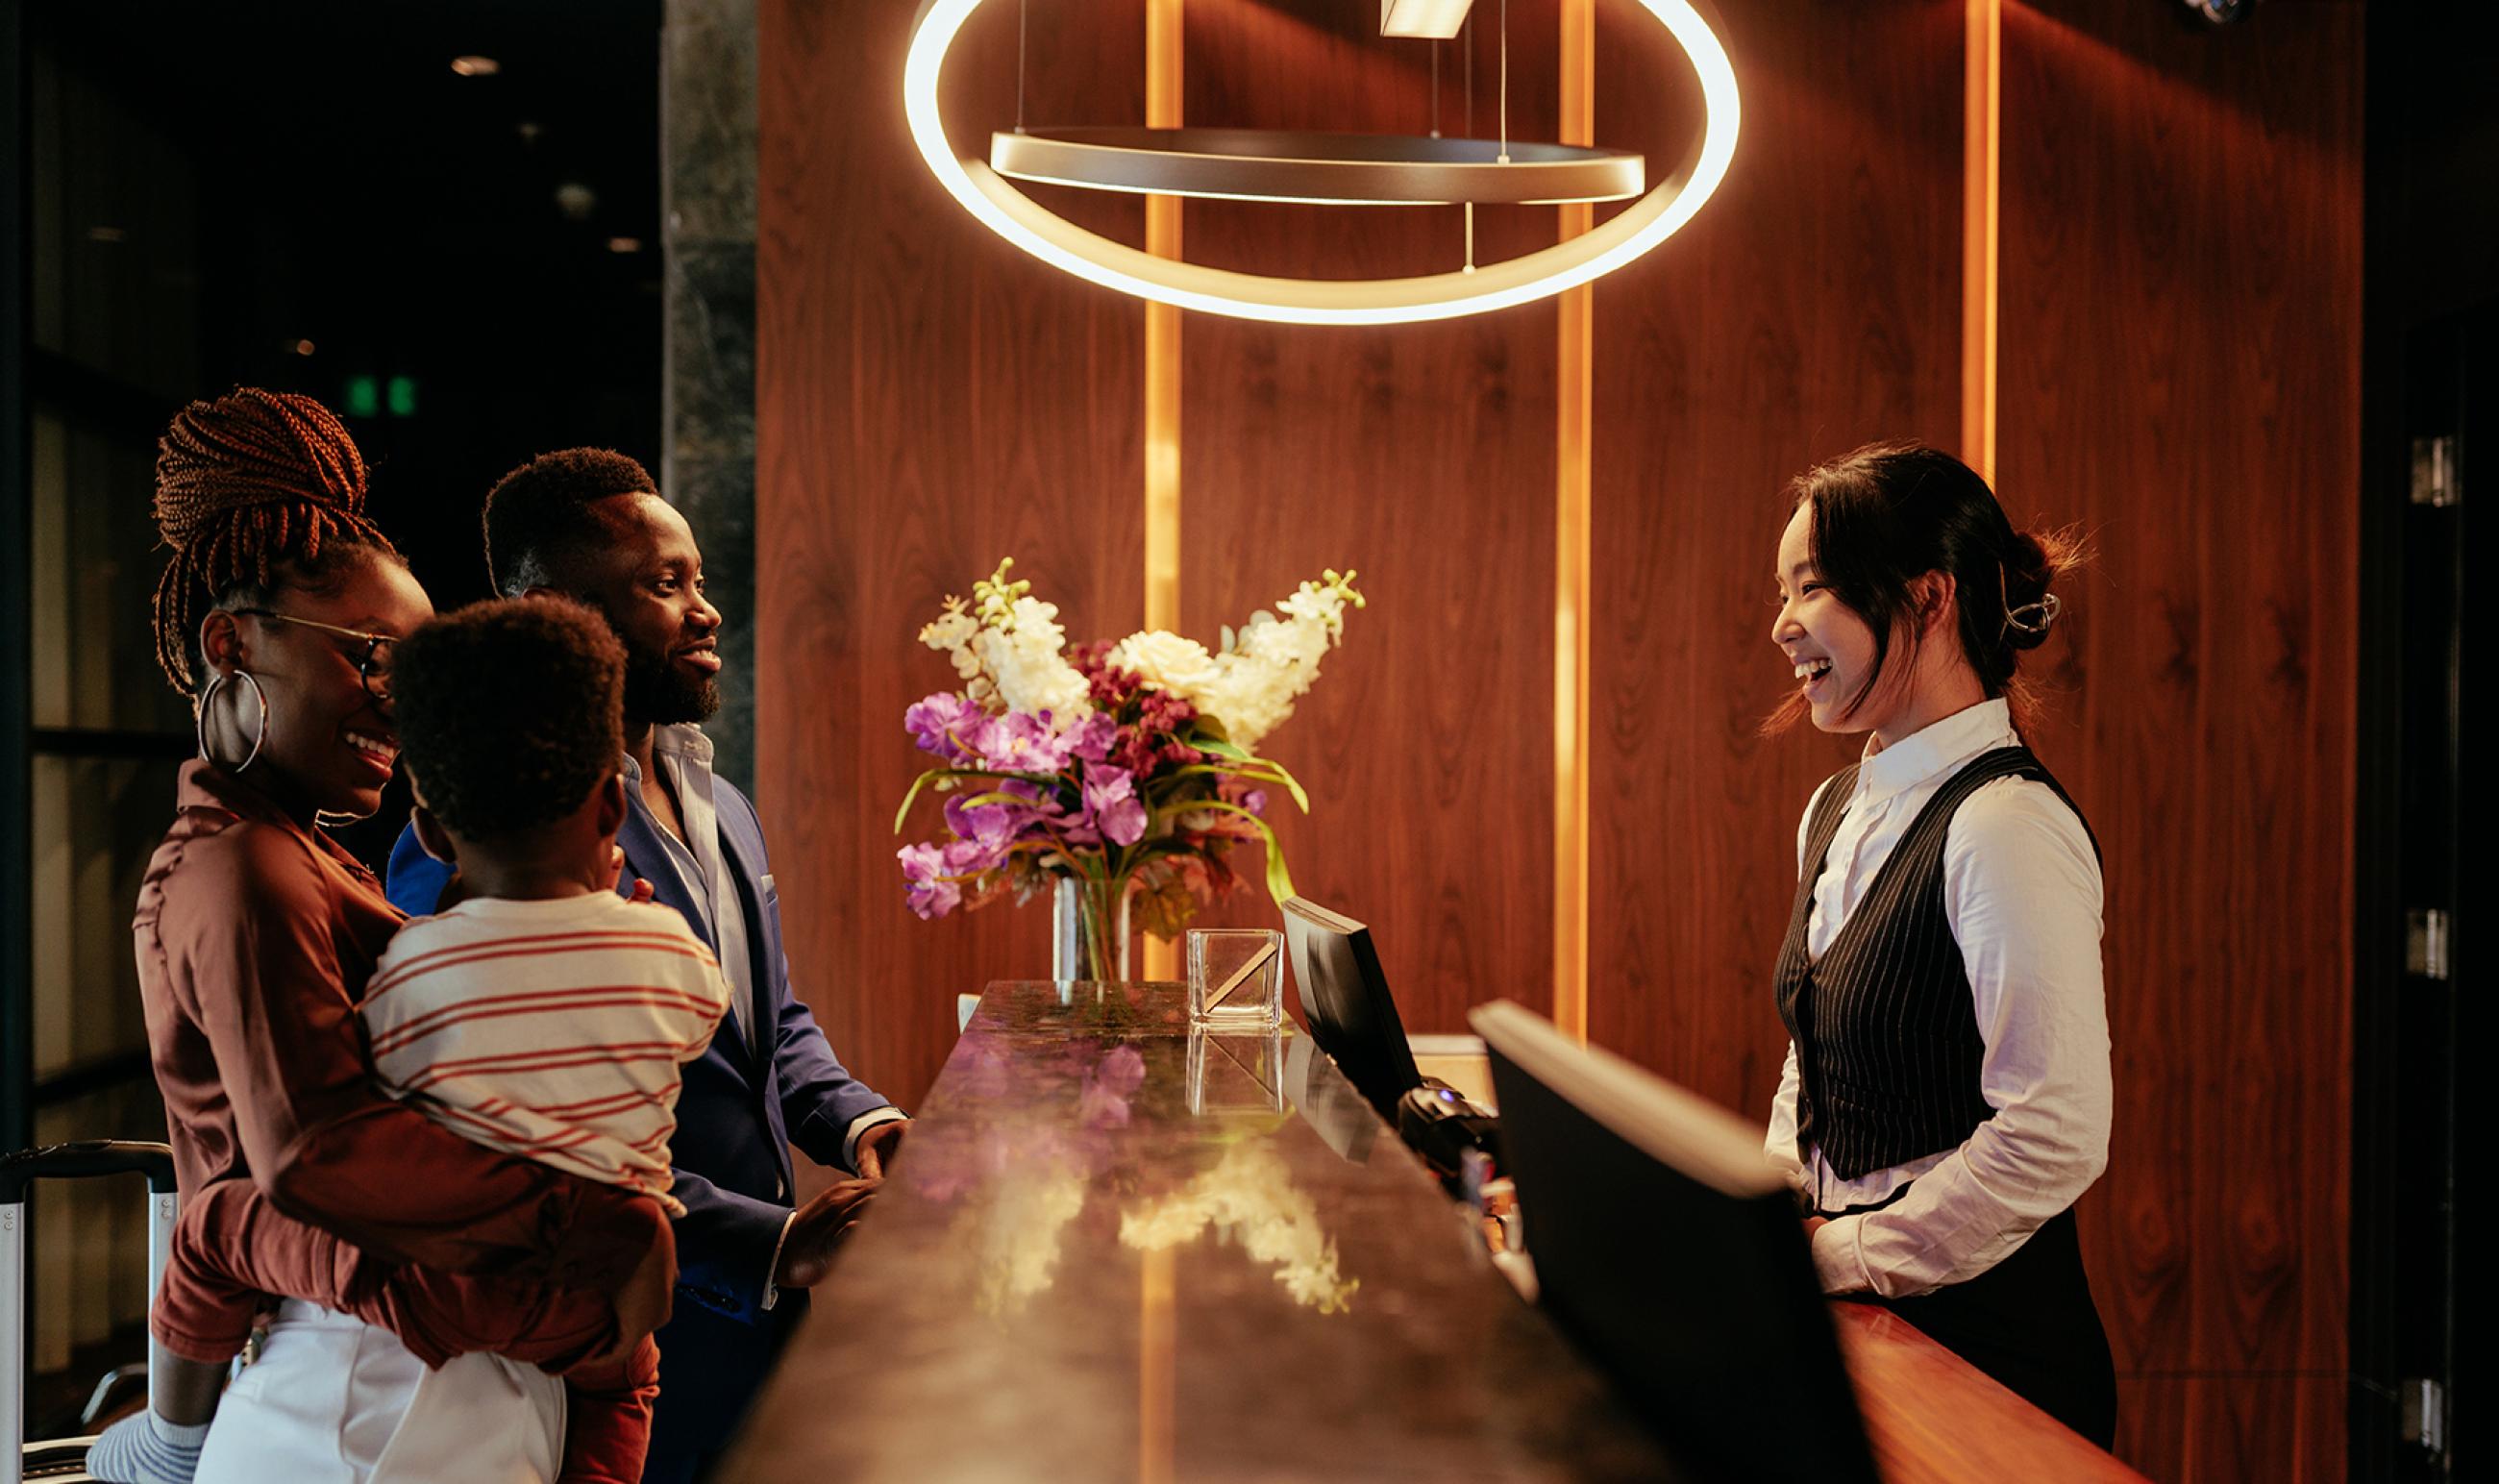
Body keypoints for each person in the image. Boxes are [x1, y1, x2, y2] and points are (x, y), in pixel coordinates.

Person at [96, 389, 675, 1484]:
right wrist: (589, 1226)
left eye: (417, 671)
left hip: (404, 1370)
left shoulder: (303, 850)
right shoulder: (243, 862)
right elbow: (315, 1156)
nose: (397, 704)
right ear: (232, 641)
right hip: (360, 1395)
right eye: (371, 655)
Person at [141, 598, 749, 1482]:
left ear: (426, 827)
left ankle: (166, 1446)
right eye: (364, 654)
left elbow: (357, 1112)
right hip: (574, 1315)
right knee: (624, 1390)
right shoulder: (665, 951)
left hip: (412, 1309)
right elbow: (698, 1022)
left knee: (210, 1231)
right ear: (611, 810)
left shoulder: (405, 959)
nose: (382, 696)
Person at [386, 449, 904, 1481]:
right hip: (603, 1344)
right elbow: (521, 1135)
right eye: (663, 585)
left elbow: (773, 1023)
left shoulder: (723, 800)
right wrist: (766, 1240)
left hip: (761, 1327)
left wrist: (861, 1120)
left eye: (699, 579)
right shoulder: (465, 847)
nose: (706, 610)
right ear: (551, 607)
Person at [1761, 441, 2117, 1446]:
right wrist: (1775, 1220)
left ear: (1924, 598)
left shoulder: (2004, 824)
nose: (1780, 622)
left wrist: (1839, 1252)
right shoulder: (1831, 805)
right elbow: (1812, 1055)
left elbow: (2052, 1130)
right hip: (1861, 1322)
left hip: (1986, 1355)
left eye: (1812, 585)